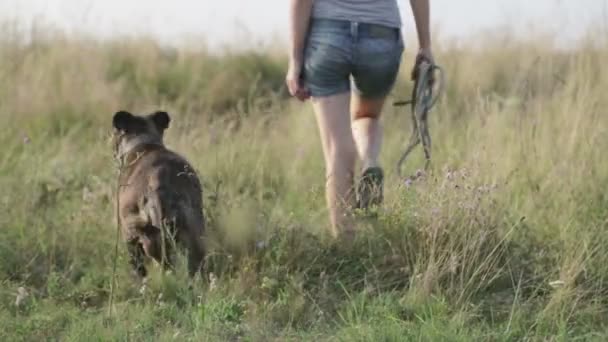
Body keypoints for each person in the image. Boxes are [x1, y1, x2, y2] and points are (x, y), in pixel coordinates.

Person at [286, 0, 433, 238]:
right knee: (366, 116)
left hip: (328, 37)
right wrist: (425, 46)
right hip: (381, 36)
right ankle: (369, 160)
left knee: (337, 150)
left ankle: (346, 248)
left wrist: (294, 60)